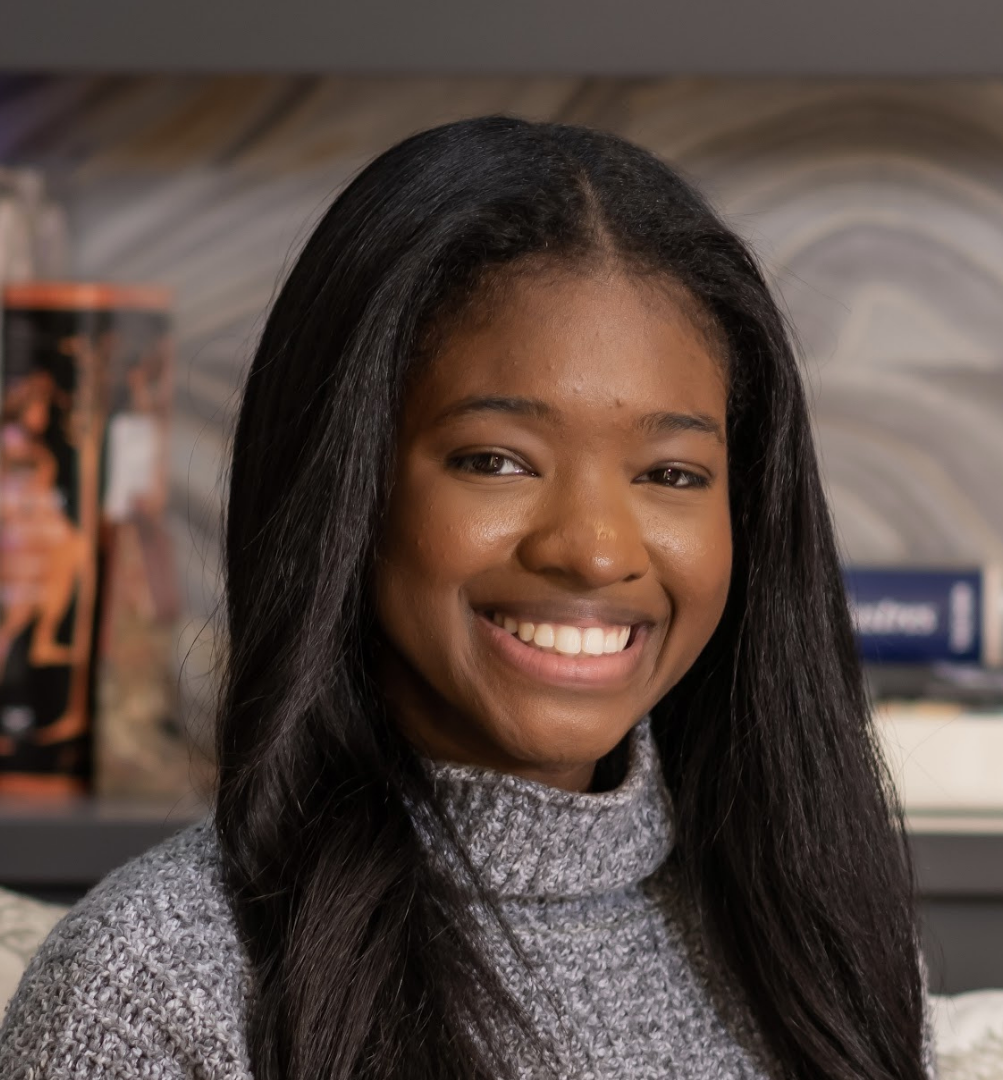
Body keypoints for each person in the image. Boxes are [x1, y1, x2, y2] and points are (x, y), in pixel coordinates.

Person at [0, 116, 933, 1080]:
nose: (595, 550)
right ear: (348, 486)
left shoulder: (821, 956)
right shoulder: (153, 985)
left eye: (671, 474)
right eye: (495, 460)